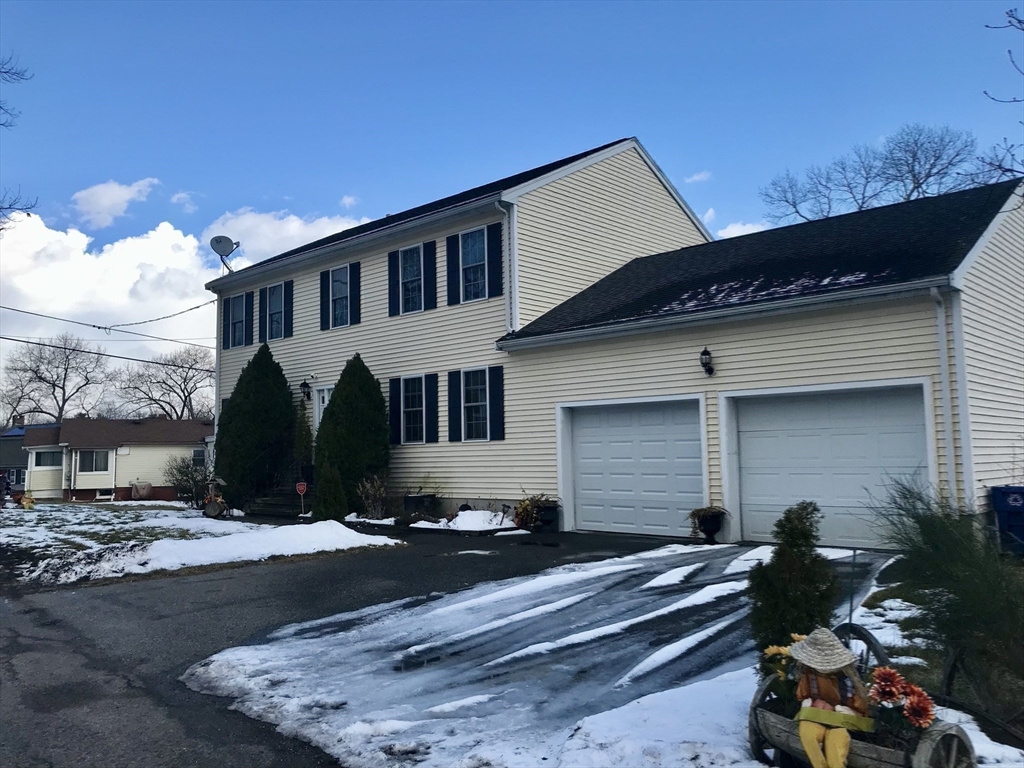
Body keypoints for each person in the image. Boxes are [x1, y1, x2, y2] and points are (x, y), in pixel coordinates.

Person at [788, 628, 873, 768]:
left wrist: (851, 713)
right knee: (806, 732)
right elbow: (802, 695)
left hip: (842, 725)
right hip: (816, 719)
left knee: (835, 744)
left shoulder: (849, 680)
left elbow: (863, 711)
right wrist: (806, 705)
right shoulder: (810, 675)